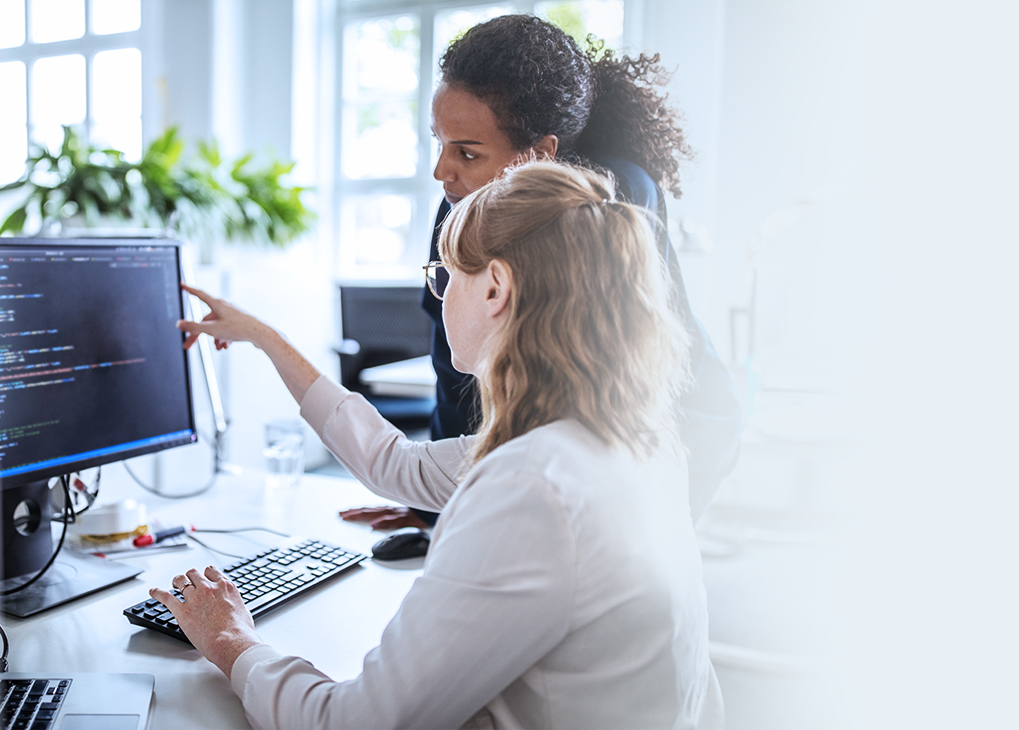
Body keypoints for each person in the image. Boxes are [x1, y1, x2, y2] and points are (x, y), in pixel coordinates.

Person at [155, 160, 723, 729]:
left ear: (495, 287)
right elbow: (394, 463)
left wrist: (230, 641)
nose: (440, 297)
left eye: (445, 277)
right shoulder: (624, 437)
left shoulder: (533, 485)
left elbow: (354, 724)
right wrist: (266, 339)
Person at [340, 15, 743, 548]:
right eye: (439, 143)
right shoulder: (459, 204)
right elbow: (454, 368)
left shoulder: (611, 199)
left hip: (676, 423)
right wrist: (435, 508)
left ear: (539, 152)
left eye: (467, 152)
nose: (443, 171)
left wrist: (477, 506)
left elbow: (589, 392)